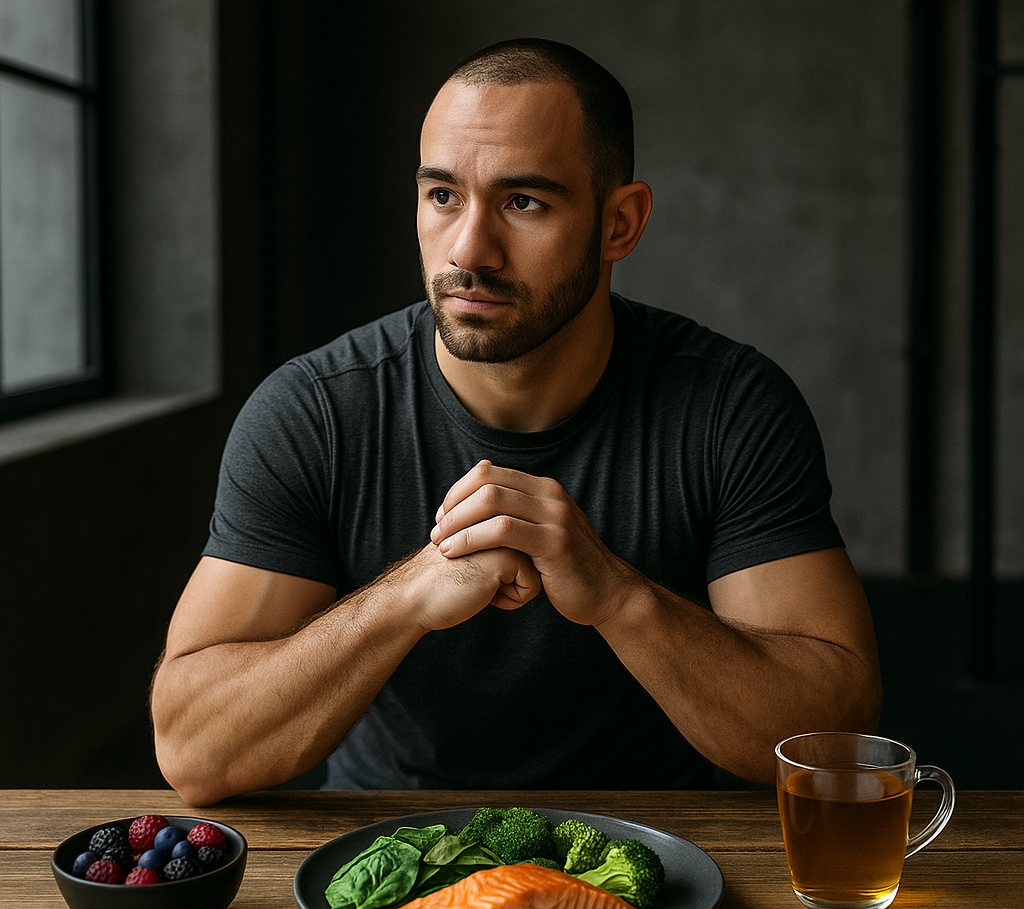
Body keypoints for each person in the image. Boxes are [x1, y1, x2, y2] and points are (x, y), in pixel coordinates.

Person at [151, 38, 881, 807]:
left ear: (620, 224)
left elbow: (830, 740)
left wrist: (616, 596)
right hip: (391, 853)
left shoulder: (730, 406)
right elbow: (197, 753)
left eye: (523, 202)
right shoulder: (316, 412)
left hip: (667, 852)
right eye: (443, 196)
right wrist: (404, 597)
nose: (470, 249)